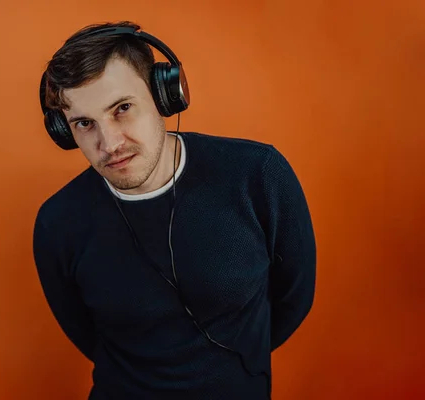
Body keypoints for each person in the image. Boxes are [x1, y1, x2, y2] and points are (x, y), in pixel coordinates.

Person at [33, 20, 316, 400]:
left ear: (164, 95)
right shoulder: (58, 223)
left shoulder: (256, 175)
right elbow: (85, 333)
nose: (109, 143)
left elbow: (293, 297)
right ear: (66, 131)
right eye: (85, 123)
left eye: (122, 108)